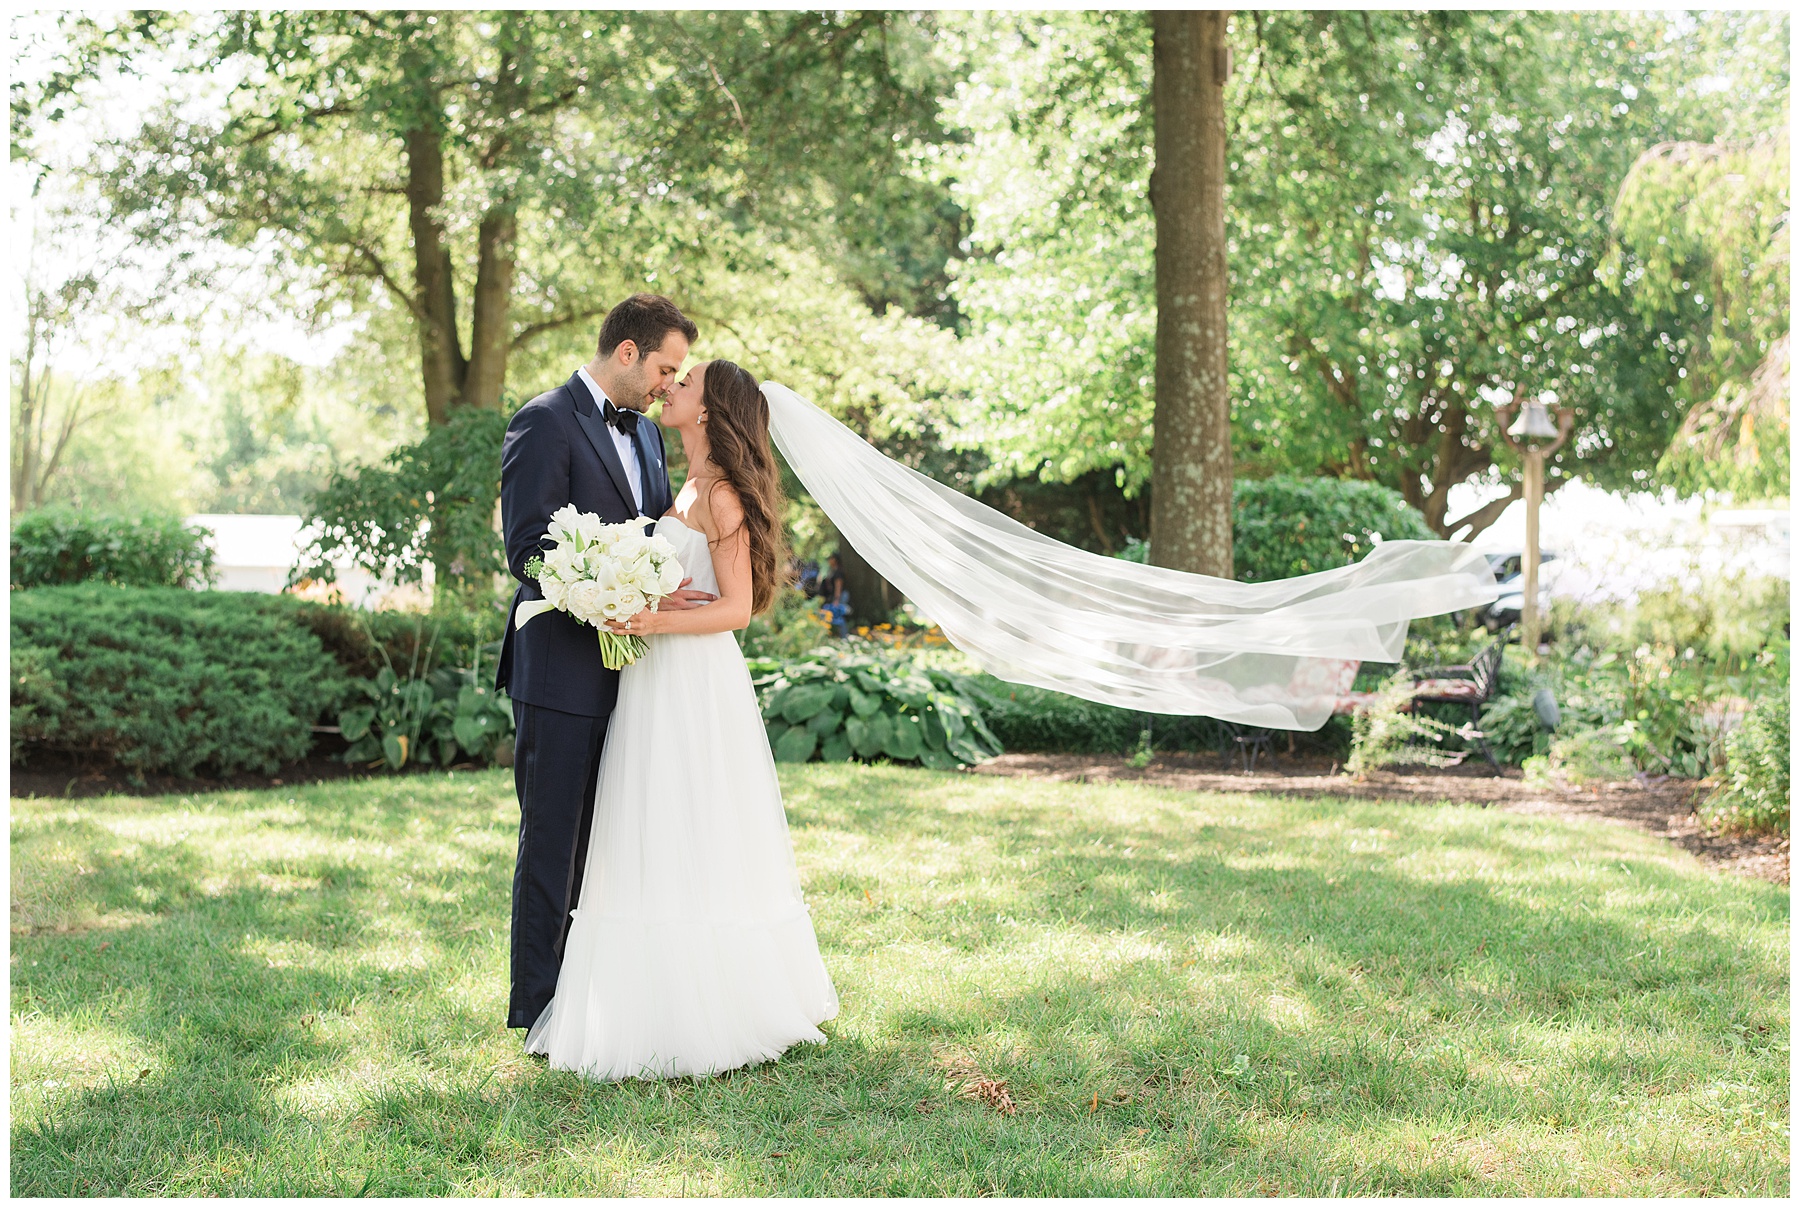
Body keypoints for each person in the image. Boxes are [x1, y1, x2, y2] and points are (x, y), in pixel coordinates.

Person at [525, 359, 839, 1080]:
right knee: (647, 822)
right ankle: (641, 1000)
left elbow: (735, 609)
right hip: (654, 678)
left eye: (686, 382)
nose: (671, 388)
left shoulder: (722, 494)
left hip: (694, 680)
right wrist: (640, 604)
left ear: (707, 412)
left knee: (689, 822)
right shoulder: (686, 485)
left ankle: (712, 1005)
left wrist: (646, 618)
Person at [495, 294, 716, 1036]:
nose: (667, 383)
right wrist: (608, 581)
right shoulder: (544, 420)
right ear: (627, 352)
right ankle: (538, 1010)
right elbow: (527, 548)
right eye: (664, 367)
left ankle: (598, 998)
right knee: (554, 842)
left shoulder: (650, 438)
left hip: (639, 675)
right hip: (559, 672)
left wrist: (652, 584)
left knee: (615, 842)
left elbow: (655, 535)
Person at [817, 552, 850, 636]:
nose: (829, 561)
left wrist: (836, 599)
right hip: (835, 597)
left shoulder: (838, 572)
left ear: (835, 560)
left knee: (839, 615)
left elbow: (838, 587)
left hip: (840, 596)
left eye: (830, 559)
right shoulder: (831, 571)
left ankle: (844, 635)